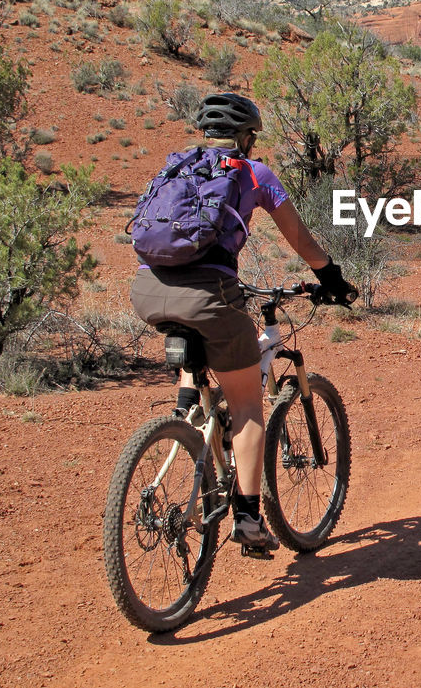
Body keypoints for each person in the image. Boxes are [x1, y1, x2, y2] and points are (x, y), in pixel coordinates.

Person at [130, 92, 357, 551]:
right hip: (208, 296)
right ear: (247, 136)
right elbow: (299, 237)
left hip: (148, 290)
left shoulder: (176, 168)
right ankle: (249, 520)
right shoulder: (255, 173)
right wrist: (331, 278)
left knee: (198, 345)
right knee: (249, 406)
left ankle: (187, 411)